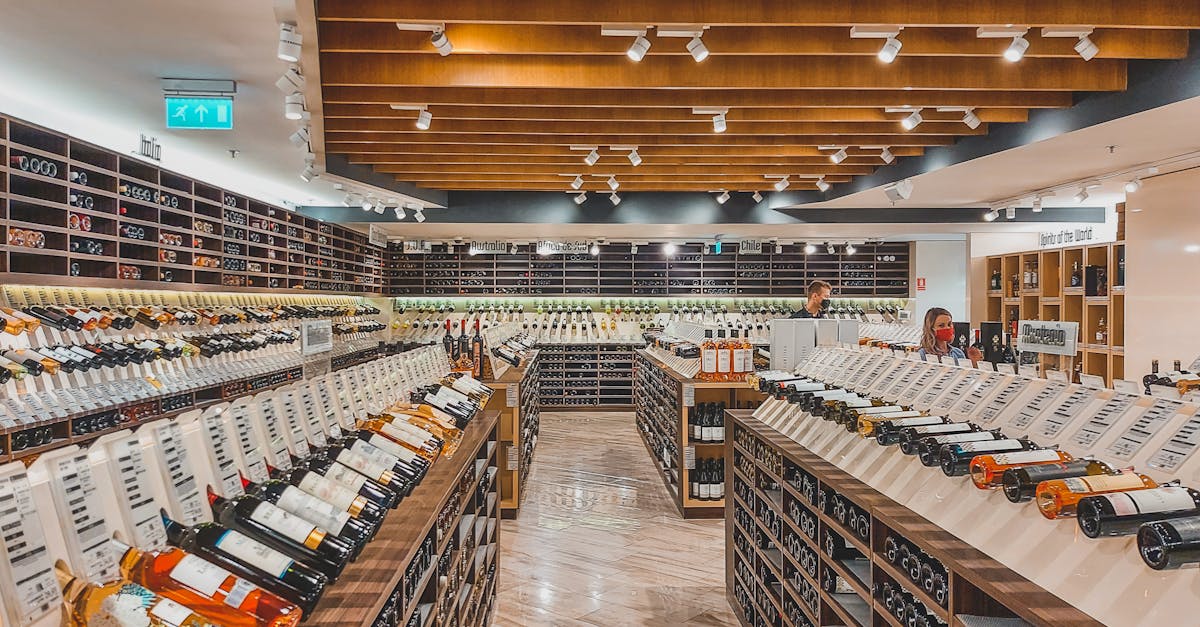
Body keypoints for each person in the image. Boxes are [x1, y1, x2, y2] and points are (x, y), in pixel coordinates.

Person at [918, 307, 983, 362]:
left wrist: (974, 363)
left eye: (949, 324)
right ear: (931, 329)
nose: (947, 328)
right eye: (941, 325)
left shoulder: (958, 353)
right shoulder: (923, 354)